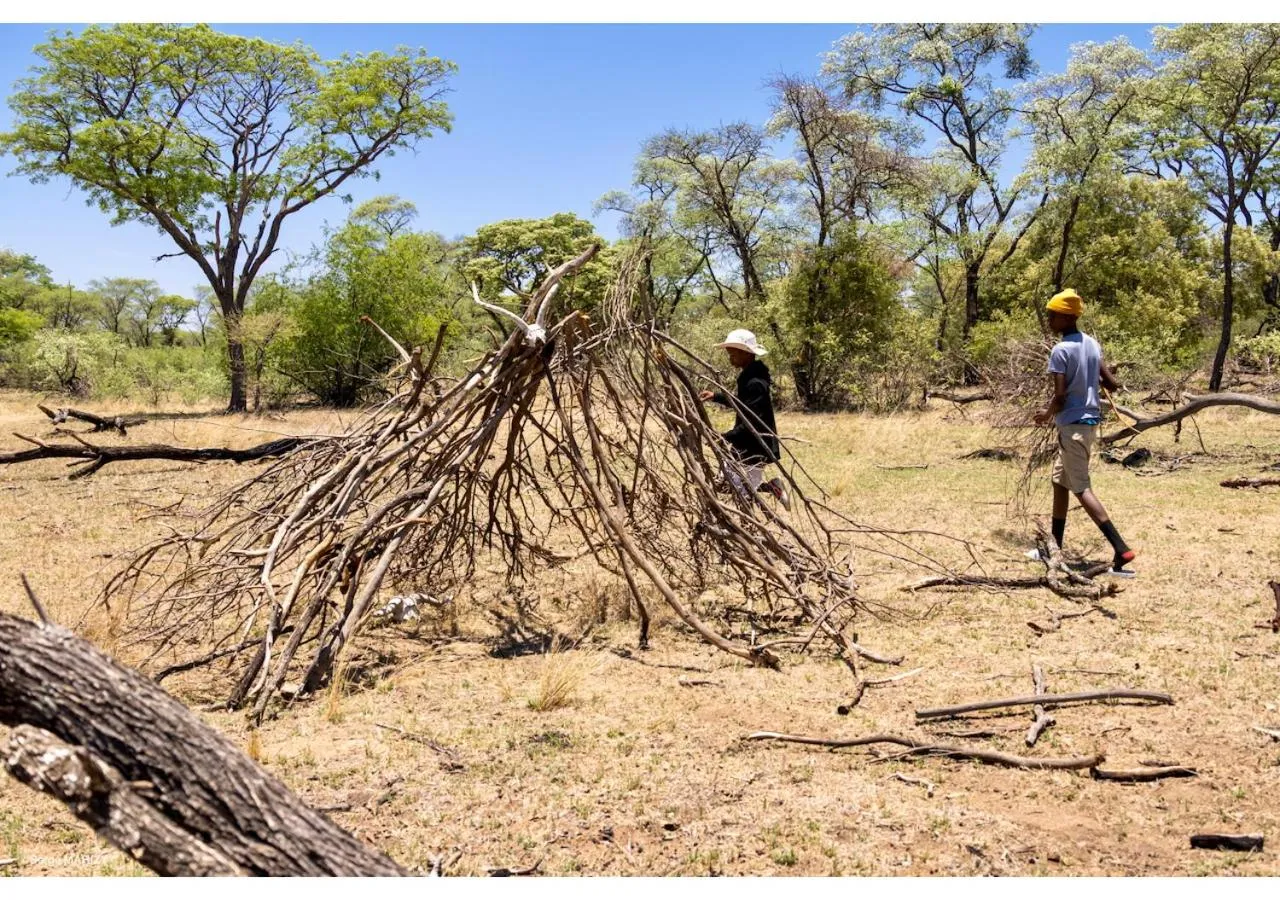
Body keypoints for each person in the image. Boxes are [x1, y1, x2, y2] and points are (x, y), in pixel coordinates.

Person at [1033, 289, 1137, 576]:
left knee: (1081, 488)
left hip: (1072, 425)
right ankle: (1054, 546)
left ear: (1066, 317)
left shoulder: (1060, 350)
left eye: (1052, 315)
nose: (1050, 319)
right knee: (1059, 481)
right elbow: (1112, 383)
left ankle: (1121, 548)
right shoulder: (1092, 343)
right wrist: (1092, 373)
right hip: (1088, 424)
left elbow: (1061, 395)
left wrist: (1045, 415)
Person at [698, 329, 791, 510]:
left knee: (743, 493)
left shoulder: (755, 382)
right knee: (726, 484)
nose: (730, 358)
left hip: (755, 445)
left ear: (745, 353)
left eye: (733, 354)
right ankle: (770, 487)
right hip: (746, 443)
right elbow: (744, 405)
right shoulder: (749, 378)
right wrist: (716, 396)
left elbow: (753, 420)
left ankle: (749, 528)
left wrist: (726, 436)